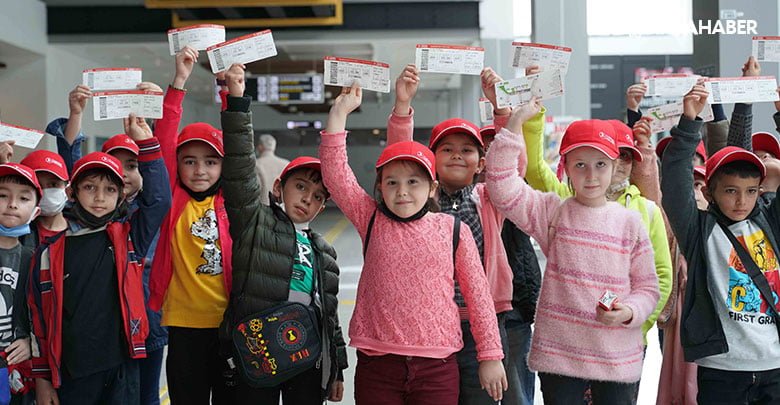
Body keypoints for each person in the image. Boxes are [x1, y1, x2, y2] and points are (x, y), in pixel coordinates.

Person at [320, 83, 507, 404]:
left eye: (413, 182)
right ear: (380, 187)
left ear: (432, 188)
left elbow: (478, 297)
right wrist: (338, 115)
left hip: (437, 364)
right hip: (378, 361)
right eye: (391, 182)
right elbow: (337, 175)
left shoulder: (453, 230)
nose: (402, 191)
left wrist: (490, 354)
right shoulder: (372, 219)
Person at [485, 100, 659, 405]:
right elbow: (502, 186)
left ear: (615, 165)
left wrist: (630, 311)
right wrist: (513, 126)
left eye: (600, 164)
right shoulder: (552, 212)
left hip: (616, 357)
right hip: (560, 357)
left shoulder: (630, 222)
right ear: (565, 168)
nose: (591, 175)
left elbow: (648, 287)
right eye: (581, 164)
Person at [216, 64, 347, 404]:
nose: (308, 198)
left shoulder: (324, 252)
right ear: (278, 187)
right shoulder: (254, 221)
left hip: (306, 360)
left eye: (318, 196)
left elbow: (329, 316)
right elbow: (240, 168)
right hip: (256, 355)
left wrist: (336, 370)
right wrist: (237, 102)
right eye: (300, 187)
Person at [386, 64, 514, 405]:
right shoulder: (419, 201)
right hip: (431, 322)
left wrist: (501, 108)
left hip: (482, 323)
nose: (457, 154)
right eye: (446, 149)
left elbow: (511, 165)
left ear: (482, 163)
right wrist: (402, 107)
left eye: (467, 149)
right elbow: (400, 161)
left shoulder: (491, 198)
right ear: (429, 160)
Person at [30, 114, 171, 405]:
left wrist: (146, 143)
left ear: (121, 197)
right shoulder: (50, 252)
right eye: (90, 188)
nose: (99, 198)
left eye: (109, 190)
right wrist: (43, 379)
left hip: (122, 366)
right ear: (72, 192)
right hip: (73, 372)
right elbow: (39, 321)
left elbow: (159, 201)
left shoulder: (130, 238)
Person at [661, 83, 780, 404]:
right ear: (710, 192)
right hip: (722, 368)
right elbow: (673, 182)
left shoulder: (770, 222)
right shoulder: (699, 230)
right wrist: (689, 123)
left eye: (751, 191)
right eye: (730, 191)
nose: (742, 200)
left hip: (775, 365)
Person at [146, 46, 236, 405]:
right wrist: (179, 80)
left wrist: (228, 92)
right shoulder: (172, 200)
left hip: (230, 324)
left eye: (211, 162)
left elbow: (239, 144)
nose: (200, 170)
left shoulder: (232, 201)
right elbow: (165, 141)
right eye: (190, 161)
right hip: (183, 326)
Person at [0, 163, 40, 403]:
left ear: (36, 210)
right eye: (2, 195)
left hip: (14, 365)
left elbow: (42, 313)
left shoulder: (34, 258)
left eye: (24, 198)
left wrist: (29, 340)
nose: (12, 204)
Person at [255, 133, 290, 205]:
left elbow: (254, 191)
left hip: (264, 209)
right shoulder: (286, 164)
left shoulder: (256, 164)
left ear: (260, 147)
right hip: (283, 210)